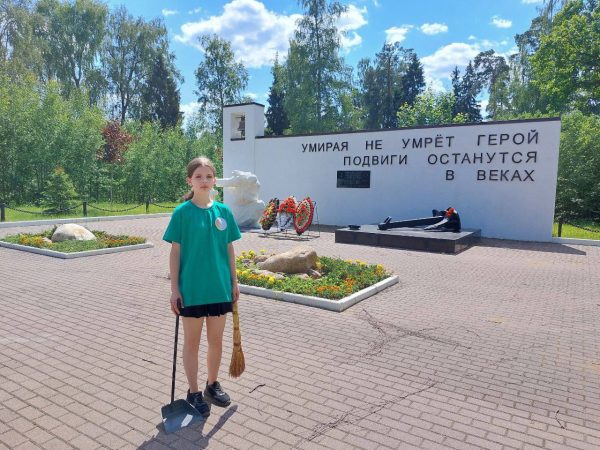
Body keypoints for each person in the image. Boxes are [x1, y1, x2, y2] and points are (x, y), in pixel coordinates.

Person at [163, 156, 241, 417]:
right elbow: (175, 253)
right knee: (192, 343)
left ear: (214, 180)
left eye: (208, 176)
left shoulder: (224, 212)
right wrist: (175, 290)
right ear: (190, 180)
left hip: (219, 288)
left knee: (216, 341)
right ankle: (194, 392)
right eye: (198, 176)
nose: (204, 181)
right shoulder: (182, 213)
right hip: (192, 291)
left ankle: (212, 384)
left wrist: (234, 281)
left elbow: (229, 249)